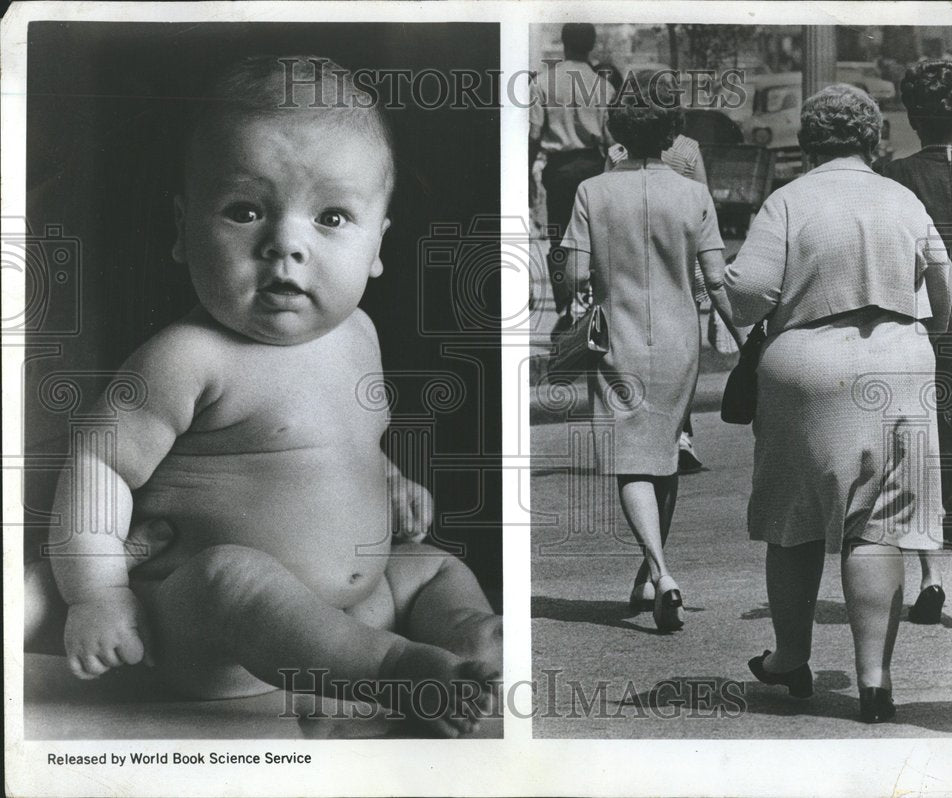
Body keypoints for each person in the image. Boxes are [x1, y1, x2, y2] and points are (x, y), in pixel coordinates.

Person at [24, 55, 501, 738]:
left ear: (377, 247)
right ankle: (395, 671)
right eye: (245, 211)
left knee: (432, 568)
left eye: (332, 217)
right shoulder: (184, 357)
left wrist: (391, 481)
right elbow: (97, 466)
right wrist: (98, 593)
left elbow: (347, 446)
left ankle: (472, 641)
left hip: (355, 604)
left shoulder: (360, 334)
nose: (285, 246)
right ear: (182, 232)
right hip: (214, 637)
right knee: (231, 577)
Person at [725, 85, 952, 723]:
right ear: (873, 139)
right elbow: (946, 285)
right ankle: (875, 681)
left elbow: (749, 297)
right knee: (880, 524)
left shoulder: (788, 201)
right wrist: (916, 331)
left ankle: (790, 658)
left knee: (796, 521)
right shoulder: (901, 198)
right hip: (901, 361)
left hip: (807, 365)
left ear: (809, 140)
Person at [561, 91, 743, 630]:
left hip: (618, 334)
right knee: (663, 451)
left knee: (631, 458)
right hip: (679, 338)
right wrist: (748, 337)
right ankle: (649, 572)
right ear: (671, 134)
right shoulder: (693, 194)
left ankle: (661, 572)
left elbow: (573, 276)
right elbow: (715, 278)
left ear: (618, 131)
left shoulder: (592, 190)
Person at [881, 59, 952, 622]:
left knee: (916, 456)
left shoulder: (895, 176)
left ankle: (933, 577)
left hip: (923, 331)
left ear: (911, 116)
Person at [529, 23, 616, 334]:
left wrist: (529, 178)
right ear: (591, 45)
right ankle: (591, 304)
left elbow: (534, 136)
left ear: (563, 43)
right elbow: (611, 139)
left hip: (560, 170)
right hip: (593, 168)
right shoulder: (604, 87)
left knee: (559, 241)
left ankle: (565, 306)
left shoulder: (542, 83)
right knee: (592, 239)